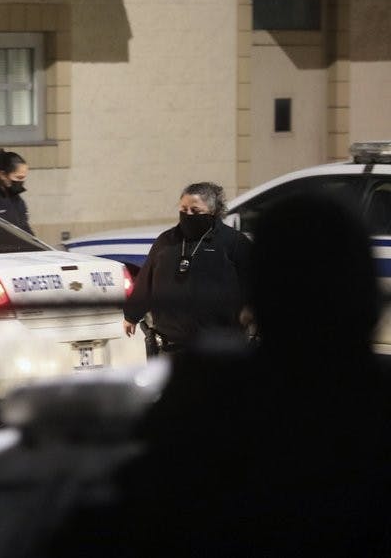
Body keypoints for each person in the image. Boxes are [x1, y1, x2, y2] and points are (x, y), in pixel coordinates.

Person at [115, 191, 391, 555]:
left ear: (259, 294)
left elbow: (143, 500)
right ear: (367, 295)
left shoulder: (211, 394)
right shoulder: (376, 402)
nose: (186, 216)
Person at [122, 181, 252, 355]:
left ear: (212, 212)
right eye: (183, 210)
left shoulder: (233, 242)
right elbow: (147, 279)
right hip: (172, 345)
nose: (188, 214)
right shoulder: (166, 241)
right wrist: (131, 315)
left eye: (195, 210)